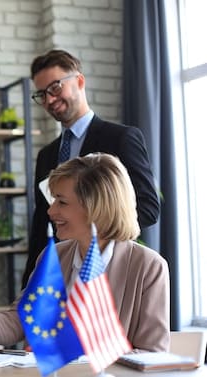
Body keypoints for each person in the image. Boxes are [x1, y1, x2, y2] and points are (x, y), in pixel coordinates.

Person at [0, 153, 170, 353]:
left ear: (96, 208)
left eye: (62, 202)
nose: (51, 211)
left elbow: (152, 355)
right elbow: (18, 322)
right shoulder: (54, 257)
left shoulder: (148, 267)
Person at [21, 49, 160, 288]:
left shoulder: (120, 139)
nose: (50, 100)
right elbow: (41, 223)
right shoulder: (46, 155)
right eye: (42, 94)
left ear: (80, 81)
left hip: (109, 272)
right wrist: (30, 280)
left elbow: (147, 206)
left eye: (55, 88)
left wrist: (93, 238)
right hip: (58, 278)